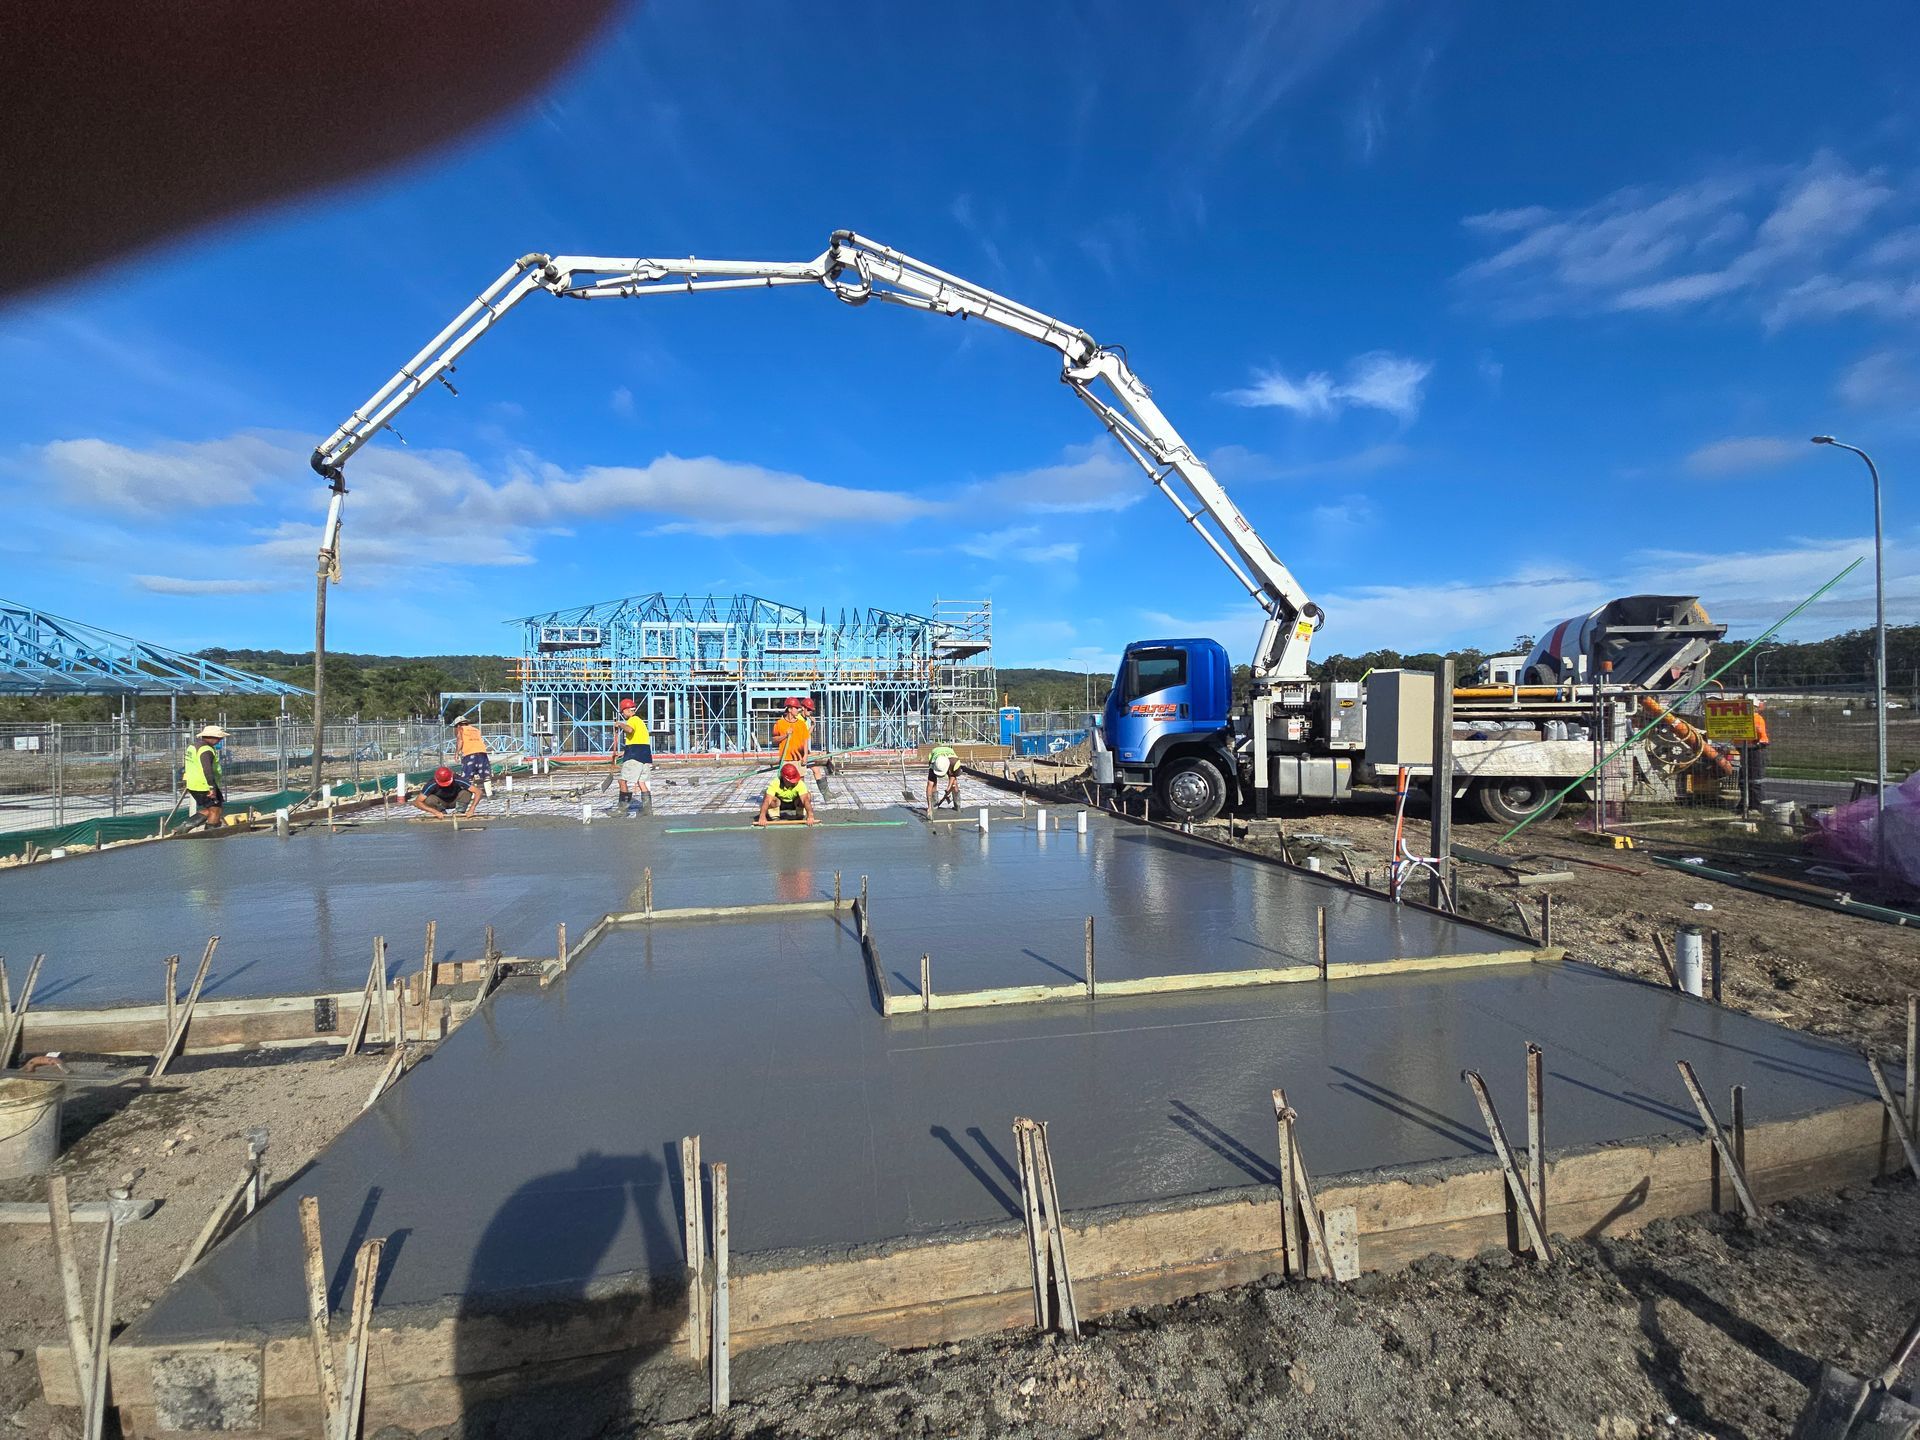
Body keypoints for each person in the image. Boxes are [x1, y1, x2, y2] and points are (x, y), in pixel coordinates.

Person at [180, 724, 228, 830]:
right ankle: (210, 835)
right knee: (216, 810)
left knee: (210, 809)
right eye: (219, 738)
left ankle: (184, 827)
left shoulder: (193, 746)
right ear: (211, 737)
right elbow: (207, 769)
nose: (220, 740)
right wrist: (212, 787)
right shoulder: (206, 750)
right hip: (205, 785)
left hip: (194, 783)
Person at [613, 698, 653, 817]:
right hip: (644, 755)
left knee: (622, 780)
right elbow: (637, 739)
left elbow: (630, 730)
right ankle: (647, 810)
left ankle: (622, 810)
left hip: (635, 755)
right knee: (641, 782)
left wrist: (619, 724)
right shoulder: (640, 721)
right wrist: (623, 753)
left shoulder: (632, 720)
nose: (622, 714)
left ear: (626, 710)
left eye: (622, 712)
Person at [413, 764, 479, 820]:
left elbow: (478, 792)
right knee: (429, 799)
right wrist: (435, 812)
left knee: (466, 792)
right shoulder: (431, 784)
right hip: (440, 804)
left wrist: (472, 809)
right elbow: (418, 802)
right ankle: (442, 813)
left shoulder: (457, 779)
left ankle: (460, 812)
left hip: (455, 801)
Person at [452, 716, 492, 795]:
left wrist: (456, 753)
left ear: (458, 725)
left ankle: (471, 795)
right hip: (482, 754)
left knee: (468, 776)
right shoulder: (476, 730)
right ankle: (489, 794)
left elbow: (460, 741)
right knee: (485, 775)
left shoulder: (461, 729)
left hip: (470, 755)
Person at [1747, 698, 1770, 807]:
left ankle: (1757, 804)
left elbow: (1763, 738)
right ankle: (1748, 803)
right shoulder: (1744, 718)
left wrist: (1757, 744)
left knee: (1755, 779)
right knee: (1745, 779)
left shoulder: (1757, 718)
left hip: (1755, 750)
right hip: (1745, 749)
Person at [925, 742, 961, 811]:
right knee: (932, 783)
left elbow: (953, 777)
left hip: (950, 758)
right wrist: (929, 806)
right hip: (936, 755)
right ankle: (933, 805)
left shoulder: (954, 762)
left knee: (954, 783)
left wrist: (948, 789)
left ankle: (957, 805)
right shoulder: (933, 763)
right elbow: (929, 785)